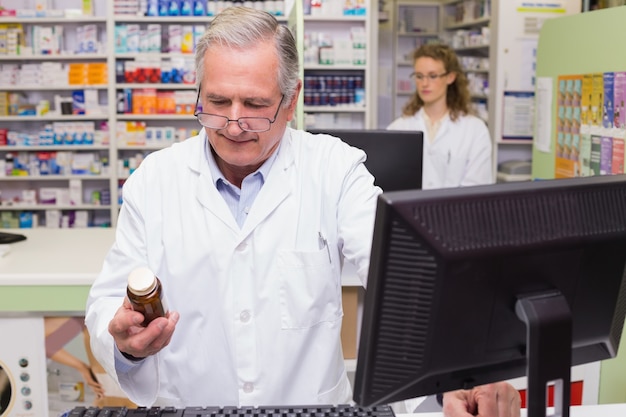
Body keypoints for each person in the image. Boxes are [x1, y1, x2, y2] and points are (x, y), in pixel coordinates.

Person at [85, 6, 520, 416]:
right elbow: (107, 304)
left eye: (255, 105)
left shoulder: (336, 169)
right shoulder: (156, 179)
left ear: (291, 101)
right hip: (188, 408)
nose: (234, 123)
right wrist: (125, 343)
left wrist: (458, 375)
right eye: (217, 103)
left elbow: (403, 286)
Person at [387, 43, 493, 190]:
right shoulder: (398, 128)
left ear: (450, 77)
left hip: (456, 212)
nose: (424, 84)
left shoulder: (475, 130)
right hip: (408, 212)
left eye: (432, 76)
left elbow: (477, 190)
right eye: (419, 76)